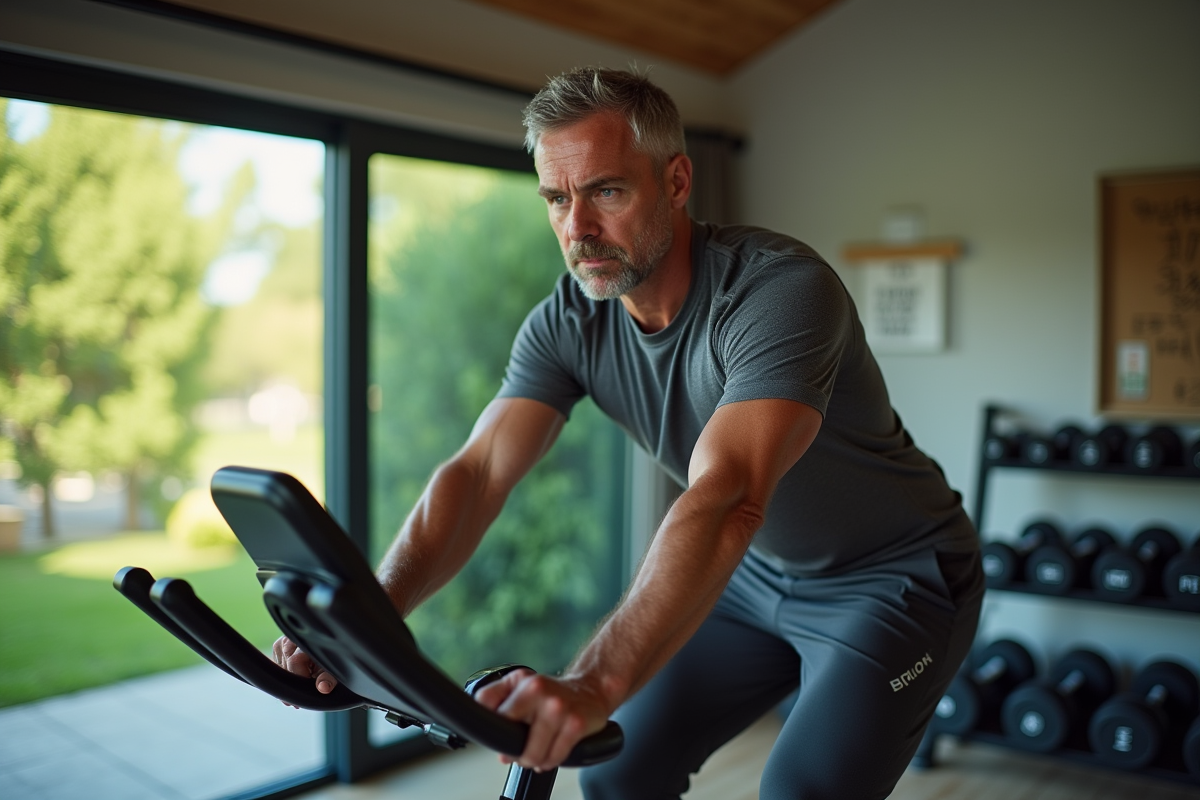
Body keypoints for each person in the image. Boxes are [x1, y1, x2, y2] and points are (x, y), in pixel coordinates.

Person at [274, 66, 984, 800]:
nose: (576, 228)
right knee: (616, 770)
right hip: (758, 573)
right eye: (557, 198)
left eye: (606, 192)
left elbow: (729, 496)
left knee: (801, 791)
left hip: (895, 576)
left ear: (676, 181)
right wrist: (373, 613)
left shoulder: (778, 292)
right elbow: (480, 471)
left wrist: (591, 683)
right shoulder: (569, 321)